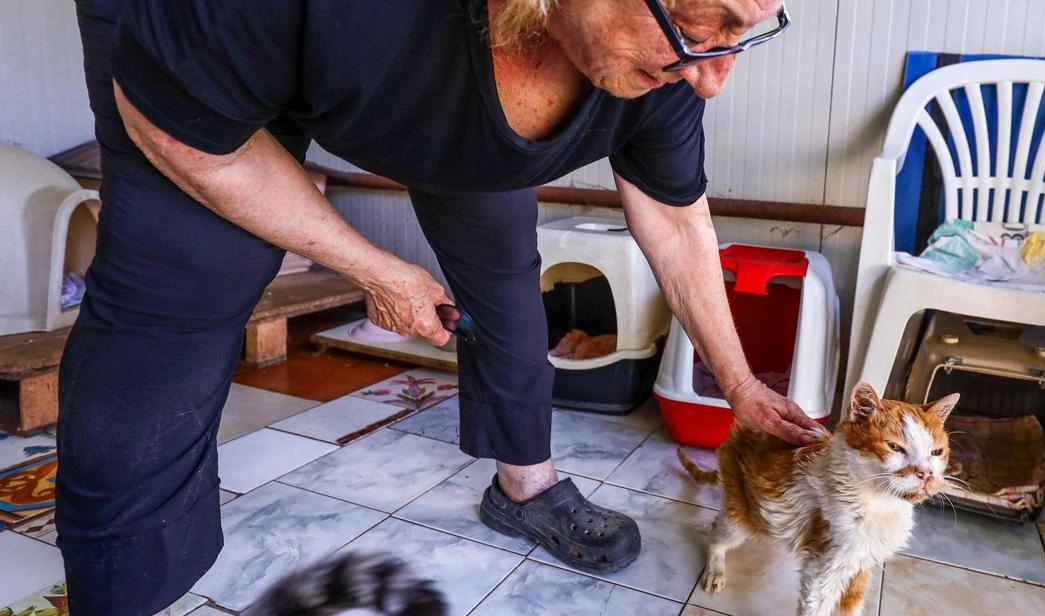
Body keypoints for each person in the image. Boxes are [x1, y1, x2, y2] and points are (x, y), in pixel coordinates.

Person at [61, 0, 821, 614]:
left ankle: (525, 487)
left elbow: (678, 218)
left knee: (503, 270)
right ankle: (127, 592)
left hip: (430, 68)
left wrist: (740, 383)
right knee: (184, 280)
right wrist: (373, 268)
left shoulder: (659, 70)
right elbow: (179, 130)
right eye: (703, 22)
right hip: (204, 59)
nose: (714, 75)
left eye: (744, 30)